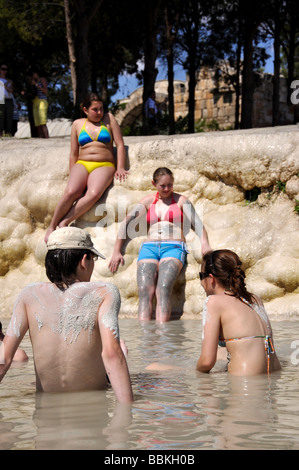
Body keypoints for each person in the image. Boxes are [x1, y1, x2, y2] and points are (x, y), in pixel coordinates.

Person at [0, 227, 134, 402]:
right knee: (121, 348)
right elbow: (112, 354)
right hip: (89, 413)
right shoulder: (104, 292)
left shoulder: (28, 295)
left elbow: (5, 359)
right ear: (84, 261)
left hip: (46, 419)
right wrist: (127, 414)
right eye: (93, 258)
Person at [109, 167, 211, 323]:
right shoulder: (149, 201)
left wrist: (205, 244)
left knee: (162, 289)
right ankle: (145, 337)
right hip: (149, 247)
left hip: (173, 247)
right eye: (162, 185)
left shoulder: (181, 201)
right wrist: (117, 251)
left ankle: (163, 337)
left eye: (170, 185)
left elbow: (197, 224)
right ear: (154, 183)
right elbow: (126, 223)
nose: (167, 189)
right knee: (144, 291)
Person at [44, 92, 128, 243]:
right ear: (85, 110)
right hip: (82, 163)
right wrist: (73, 174)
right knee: (71, 191)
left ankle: (64, 221)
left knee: (94, 193)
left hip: (104, 164)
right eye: (95, 110)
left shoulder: (109, 119)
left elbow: (120, 145)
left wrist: (120, 167)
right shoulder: (77, 124)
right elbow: (73, 153)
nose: (99, 112)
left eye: (101, 109)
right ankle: (51, 226)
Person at [197, 249, 281, 375]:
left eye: (201, 276)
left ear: (211, 278)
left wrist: (192, 372)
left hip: (245, 385)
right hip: (273, 376)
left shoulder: (213, 302)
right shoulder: (254, 299)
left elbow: (206, 362)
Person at [31, 70, 49, 138]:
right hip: (35, 101)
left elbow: (45, 91)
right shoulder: (32, 81)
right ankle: (40, 139)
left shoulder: (42, 80)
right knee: (37, 123)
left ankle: (46, 137)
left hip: (42, 101)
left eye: (33, 73)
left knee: (42, 122)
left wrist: (36, 85)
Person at [0, 64, 13, 136]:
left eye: (6, 69)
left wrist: (4, 86)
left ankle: (8, 134)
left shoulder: (9, 81)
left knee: (9, 118)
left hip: (8, 99)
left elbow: (11, 90)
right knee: (0, 118)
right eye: (3, 69)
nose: (4, 71)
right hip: (0, 100)